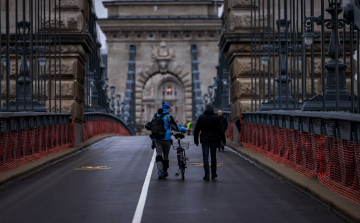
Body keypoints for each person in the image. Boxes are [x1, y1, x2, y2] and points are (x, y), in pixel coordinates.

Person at [152, 102, 188, 179]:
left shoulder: (155, 115)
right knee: (165, 156)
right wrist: (184, 129)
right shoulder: (168, 117)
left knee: (158, 155)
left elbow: (151, 126)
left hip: (157, 138)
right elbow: (175, 127)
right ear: (167, 109)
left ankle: (159, 172)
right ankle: (165, 172)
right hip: (166, 138)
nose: (171, 109)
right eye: (170, 108)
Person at [194, 103, 226, 180]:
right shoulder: (216, 118)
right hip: (213, 139)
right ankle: (214, 173)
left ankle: (207, 174)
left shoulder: (201, 117)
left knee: (205, 157)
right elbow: (221, 130)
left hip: (204, 139)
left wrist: (196, 140)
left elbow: (196, 129)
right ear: (213, 108)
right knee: (213, 156)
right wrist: (224, 140)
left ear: (205, 108)